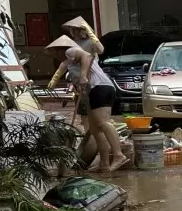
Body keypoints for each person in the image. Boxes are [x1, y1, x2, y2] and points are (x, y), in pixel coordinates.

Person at [45, 35, 126, 172]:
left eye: (53, 53)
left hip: (101, 87)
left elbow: (87, 56)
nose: (54, 57)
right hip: (92, 91)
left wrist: (82, 76)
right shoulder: (69, 62)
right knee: (94, 129)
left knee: (103, 123)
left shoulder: (70, 51)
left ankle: (118, 155)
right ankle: (104, 164)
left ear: (58, 50)